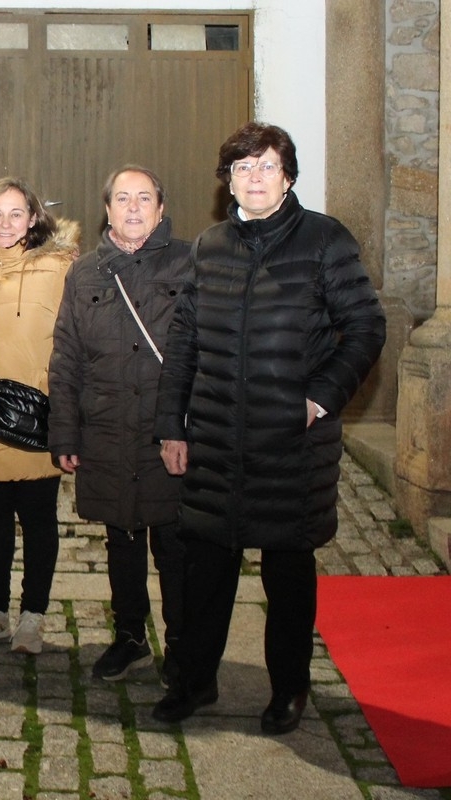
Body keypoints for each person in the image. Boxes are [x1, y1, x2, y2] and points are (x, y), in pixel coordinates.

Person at [151, 122, 386, 734]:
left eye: (265, 166)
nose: (253, 177)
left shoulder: (325, 241)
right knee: (205, 571)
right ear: (227, 181)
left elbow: (366, 327)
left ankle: (289, 688)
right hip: (215, 439)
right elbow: (184, 339)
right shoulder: (210, 246)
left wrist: (320, 398)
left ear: (288, 177)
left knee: (288, 578)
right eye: (241, 167)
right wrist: (171, 424)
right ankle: (195, 681)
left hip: (291, 445)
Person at [47, 166, 190, 683]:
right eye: (122, 199)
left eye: (144, 198)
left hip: (166, 430)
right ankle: (130, 636)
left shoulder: (189, 263)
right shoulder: (84, 273)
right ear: (107, 209)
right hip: (106, 429)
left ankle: (182, 643)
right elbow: (66, 357)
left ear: (160, 208)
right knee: (122, 538)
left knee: (174, 543)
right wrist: (64, 432)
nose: (133, 208)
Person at [0, 177, 78, 655]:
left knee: (39, 518)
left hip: (34, 419)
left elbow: (75, 344)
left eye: (16, 213)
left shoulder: (58, 268)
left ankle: (33, 615)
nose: (5, 223)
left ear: (33, 219)